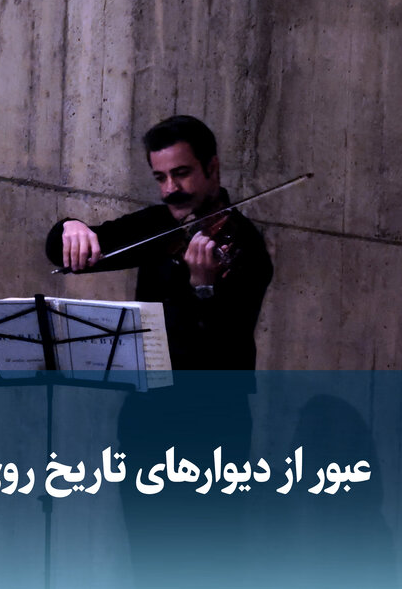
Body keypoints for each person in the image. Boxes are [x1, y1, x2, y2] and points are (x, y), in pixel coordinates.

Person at [45, 115, 273, 587]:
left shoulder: (247, 248)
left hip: (213, 425)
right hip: (147, 420)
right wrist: (70, 228)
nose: (171, 189)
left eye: (182, 174)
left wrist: (204, 288)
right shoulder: (158, 226)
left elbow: (225, 348)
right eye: (161, 177)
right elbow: (67, 251)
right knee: (148, 559)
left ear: (212, 168)